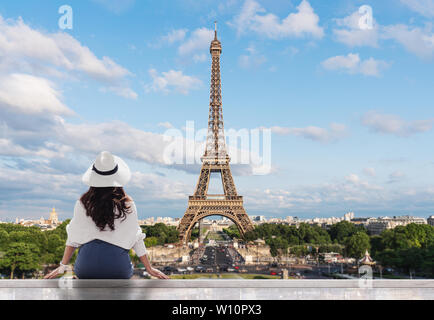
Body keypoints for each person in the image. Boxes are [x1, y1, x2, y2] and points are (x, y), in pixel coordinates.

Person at [44, 151, 168, 280]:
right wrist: (149, 268)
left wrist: (63, 266)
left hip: (86, 269)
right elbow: (136, 238)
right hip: (118, 268)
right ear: (118, 177)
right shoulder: (127, 204)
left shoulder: (82, 203)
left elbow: (73, 238)